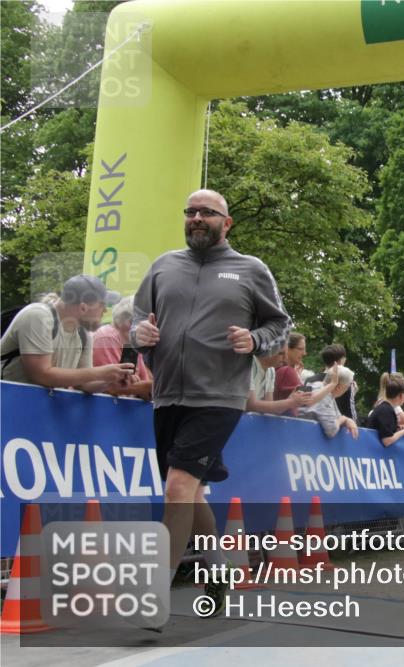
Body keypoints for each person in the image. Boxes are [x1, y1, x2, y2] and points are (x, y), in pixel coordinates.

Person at [131, 189, 290, 625]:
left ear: (227, 222)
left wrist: (255, 340)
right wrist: (138, 334)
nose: (197, 218)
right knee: (192, 491)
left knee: (178, 489)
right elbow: (136, 319)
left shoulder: (250, 270)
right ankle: (217, 567)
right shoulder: (164, 266)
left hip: (219, 396)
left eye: (207, 212)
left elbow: (280, 325)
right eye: (191, 212)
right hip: (166, 394)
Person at [1, 275, 133, 391]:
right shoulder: (38, 316)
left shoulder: (84, 335)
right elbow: (41, 375)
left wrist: (110, 379)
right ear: (83, 307)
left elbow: (84, 384)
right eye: (102, 305)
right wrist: (100, 373)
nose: (105, 311)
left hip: (32, 407)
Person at [92, 295, 153, 400]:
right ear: (130, 322)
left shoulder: (130, 344)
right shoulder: (107, 336)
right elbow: (112, 388)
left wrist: (145, 388)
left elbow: (145, 389)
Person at [246, 349, 312, 415]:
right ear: (267, 349)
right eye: (281, 353)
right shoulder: (249, 363)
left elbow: (268, 409)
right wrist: (290, 402)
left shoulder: (270, 370)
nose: (286, 358)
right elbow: (250, 405)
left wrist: (290, 400)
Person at [369, 372, 404, 446]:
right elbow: (387, 440)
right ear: (401, 395)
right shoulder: (386, 410)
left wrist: (398, 429)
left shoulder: (386, 408)